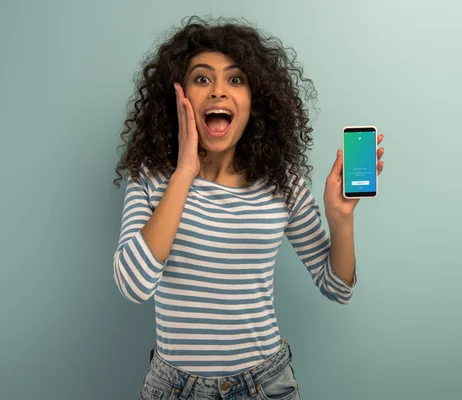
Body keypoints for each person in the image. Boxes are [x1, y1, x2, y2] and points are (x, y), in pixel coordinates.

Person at [112, 16, 384, 400]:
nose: (219, 91)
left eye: (236, 80)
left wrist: (341, 219)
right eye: (202, 78)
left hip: (265, 385)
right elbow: (134, 284)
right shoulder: (153, 177)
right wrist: (185, 171)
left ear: (255, 99)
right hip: (174, 389)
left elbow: (337, 287)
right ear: (179, 95)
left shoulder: (281, 180)